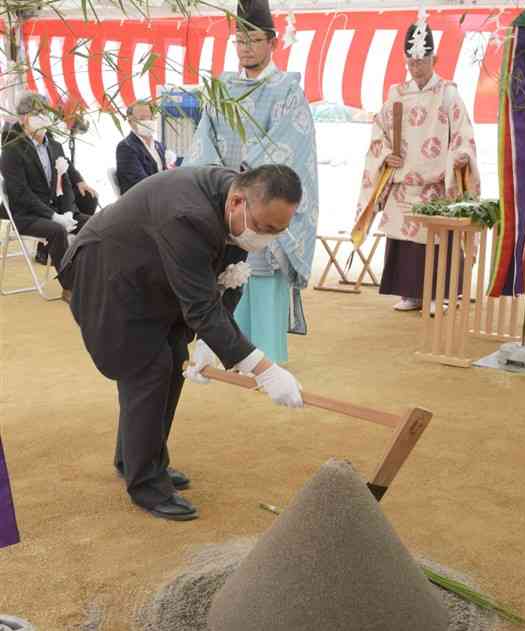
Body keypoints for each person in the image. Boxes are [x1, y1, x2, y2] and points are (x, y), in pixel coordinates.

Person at [59, 164, 305, 521]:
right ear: (237, 202)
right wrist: (264, 370)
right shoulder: (187, 214)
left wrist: (211, 346)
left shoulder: (239, 209)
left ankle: (137, 458)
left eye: (278, 231)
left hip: (154, 275)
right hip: (110, 273)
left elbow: (228, 277)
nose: (266, 238)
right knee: (148, 367)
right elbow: (202, 307)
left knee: (173, 358)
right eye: (266, 229)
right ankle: (146, 483)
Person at [184, 0, 318, 363]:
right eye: (239, 40)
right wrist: (217, 182)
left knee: (261, 273)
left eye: (253, 40)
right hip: (229, 202)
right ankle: (233, 355)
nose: (245, 47)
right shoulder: (221, 88)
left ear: (272, 42)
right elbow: (203, 141)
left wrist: (245, 178)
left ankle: (268, 359)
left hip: (262, 200)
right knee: (228, 275)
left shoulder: (287, 89)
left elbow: (290, 144)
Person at [356, 15, 480, 311]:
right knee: (404, 241)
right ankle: (410, 293)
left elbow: (463, 132)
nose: (416, 67)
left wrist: (461, 153)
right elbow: (378, 132)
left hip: (436, 181)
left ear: (434, 58)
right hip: (402, 181)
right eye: (411, 62)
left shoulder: (448, 93)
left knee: (436, 240)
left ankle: (440, 295)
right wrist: (386, 153)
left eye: (422, 61)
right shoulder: (396, 94)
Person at [0, 92, 93, 289]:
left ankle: (92, 274)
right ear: (24, 118)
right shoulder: (12, 150)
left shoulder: (56, 146)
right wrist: (53, 216)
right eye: (38, 113)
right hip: (28, 215)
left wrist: (67, 211)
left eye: (46, 113)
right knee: (58, 230)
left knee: (95, 224)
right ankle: (71, 287)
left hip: (58, 209)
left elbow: (65, 183)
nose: (44, 118)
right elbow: (20, 193)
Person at [116, 100, 174, 194]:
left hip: (162, 197)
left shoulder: (159, 146)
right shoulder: (126, 147)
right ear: (131, 122)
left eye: (150, 118)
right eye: (142, 119)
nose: (147, 122)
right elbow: (139, 183)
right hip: (141, 201)